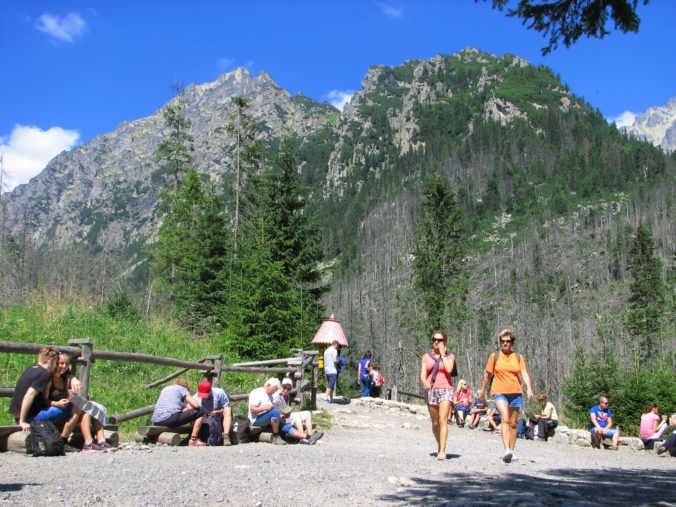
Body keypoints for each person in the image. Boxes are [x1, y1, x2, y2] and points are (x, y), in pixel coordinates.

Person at [479, 329, 534, 463]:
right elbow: (487, 375)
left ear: (512, 342)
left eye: (508, 341)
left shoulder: (518, 357)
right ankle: (506, 450)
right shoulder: (495, 356)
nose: (505, 344)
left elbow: (524, 373)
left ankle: (512, 450)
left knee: (513, 423)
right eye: (503, 341)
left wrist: (529, 388)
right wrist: (482, 391)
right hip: (500, 392)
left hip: (515, 392)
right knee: (505, 418)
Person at [47, 351, 113, 452]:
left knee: (88, 406)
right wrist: (58, 402)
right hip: (54, 408)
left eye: (66, 364)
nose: (64, 366)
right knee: (82, 408)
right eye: (61, 363)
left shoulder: (65, 376)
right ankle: (87, 442)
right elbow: (45, 398)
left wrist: (72, 381)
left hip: (65, 407)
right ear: (55, 363)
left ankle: (100, 440)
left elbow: (69, 385)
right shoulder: (49, 377)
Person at [420, 330, 456, 460]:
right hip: (432, 389)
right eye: (434, 339)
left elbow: (448, 369)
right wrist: (425, 383)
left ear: (444, 342)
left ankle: (442, 450)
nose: (436, 342)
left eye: (440, 340)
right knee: (435, 423)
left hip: (446, 389)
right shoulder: (426, 356)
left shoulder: (450, 356)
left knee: (443, 419)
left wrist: (442, 354)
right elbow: (423, 373)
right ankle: (440, 443)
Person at [9, 347, 58, 431]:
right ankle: (63, 439)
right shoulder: (44, 374)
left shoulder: (31, 368)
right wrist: (22, 421)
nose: (56, 366)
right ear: (51, 361)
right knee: (71, 408)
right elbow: (29, 396)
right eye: (56, 362)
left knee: (77, 407)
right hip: (29, 417)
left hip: (18, 414)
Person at [152, 379, 207, 447]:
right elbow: (196, 405)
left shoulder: (165, 389)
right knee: (201, 411)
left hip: (157, 420)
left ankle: (192, 437)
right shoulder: (181, 388)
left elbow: (174, 408)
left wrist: (186, 408)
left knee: (192, 412)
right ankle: (194, 439)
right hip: (169, 418)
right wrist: (190, 407)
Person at [274, 378, 323, 444]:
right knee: (297, 416)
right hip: (281, 418)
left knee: (307, 413)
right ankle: (303, 438)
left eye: (288, 389)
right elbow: (279, 410)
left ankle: (311, 436)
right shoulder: (276, 395)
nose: (286, 390)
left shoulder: (286, 396)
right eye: (284, 387)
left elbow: (287, 410)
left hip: (286, 416)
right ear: (281, 386)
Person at [192, 380, 233, 446]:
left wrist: (218, 411)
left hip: (219, 415)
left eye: (205, 395)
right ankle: (197, 437)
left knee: (228, 410)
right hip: (204, 418)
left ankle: (226, 436)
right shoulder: (195, 397)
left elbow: (226, 407)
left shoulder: (220, 393)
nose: (204, 398)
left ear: (210, 391)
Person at [248, 377, 286, 445]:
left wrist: (286, 410)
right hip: (256, 419)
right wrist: (265, 408)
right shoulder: (257, 392)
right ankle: (276, 436)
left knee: (286, 425)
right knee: (276, 412)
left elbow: (277, 405)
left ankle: (306, 437)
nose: (273, 392)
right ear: (268, 385)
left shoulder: (270, 395)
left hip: (266, 418)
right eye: (273, 389)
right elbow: (252, 410)